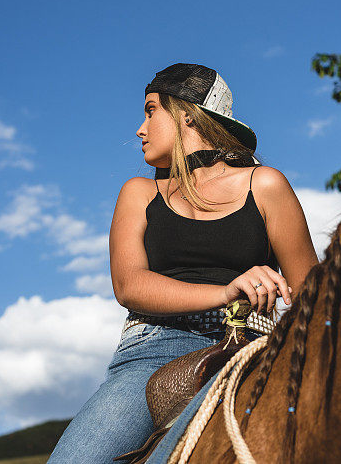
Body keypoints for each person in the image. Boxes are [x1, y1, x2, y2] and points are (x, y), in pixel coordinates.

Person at [47, 63, 318, 463]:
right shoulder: (139, 193)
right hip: (151, 349)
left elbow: (315, 298)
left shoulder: (265, 186)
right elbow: (129, 286)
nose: (140, 128)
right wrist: (226, 291)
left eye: (150, 110)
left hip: (249, 346)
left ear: (186, 114)